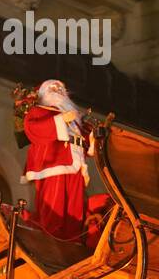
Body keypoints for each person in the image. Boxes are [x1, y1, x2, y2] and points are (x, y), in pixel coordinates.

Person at [20, 79, 102, 242]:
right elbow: (33, 130)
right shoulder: (38, 112)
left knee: (74, 210)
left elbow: (83, 140)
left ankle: (72, 242)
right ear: (44, 93)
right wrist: (60, 120)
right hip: (53, 165)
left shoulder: (73, 116)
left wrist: (93, 137)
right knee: (54, 208)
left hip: (75, 166)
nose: (57, 89)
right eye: (53, 87)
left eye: (60, 87)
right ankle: (51, 241)